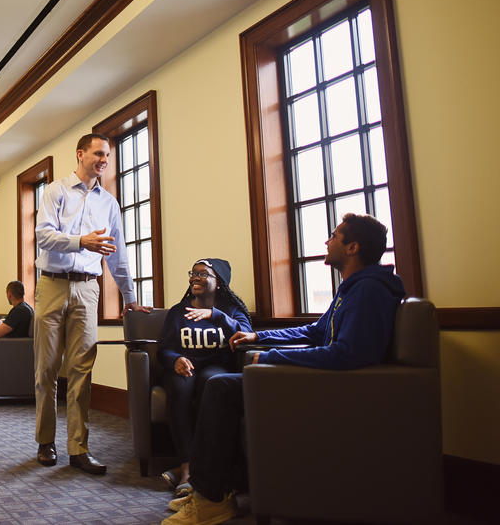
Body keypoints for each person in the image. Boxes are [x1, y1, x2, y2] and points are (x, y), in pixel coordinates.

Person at [162, 213, 405, 525]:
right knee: (220, 386)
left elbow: (348, 354)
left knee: (221, 385)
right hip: (328, 379)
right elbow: (315, 332)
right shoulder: (352, 288)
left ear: (353, 247)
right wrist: (259, 337)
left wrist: (274, 357)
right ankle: (210, 490)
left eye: (334, 236)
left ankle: (212, 499)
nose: (327, 242)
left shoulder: (369, 290)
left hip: (341, 388)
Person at [33, 133, 149, 475]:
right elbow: (43, 236)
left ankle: (78, 448)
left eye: (108, 155)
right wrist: (81, 241)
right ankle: (45, 441)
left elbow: (119, 256)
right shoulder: (55, 191)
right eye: (99, 153)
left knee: (83, 370)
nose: (104, 160)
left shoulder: (109, 204)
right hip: (51, 285)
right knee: (47, 369)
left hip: (88, 289)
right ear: (81, 154)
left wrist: (130, 298)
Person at [157, 258, 252, 490]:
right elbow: (164, 348)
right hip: (184, 366)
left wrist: (214, 315)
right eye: (193, 273)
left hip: (216, 365)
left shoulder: (231, 310)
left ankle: (202, 464)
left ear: (218, 282)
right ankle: (187, 466)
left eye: (202, 274)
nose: (195, 278)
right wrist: (175, 359)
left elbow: (247, 334)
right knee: (180, 387)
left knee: (212, 383)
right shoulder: (179, 311)